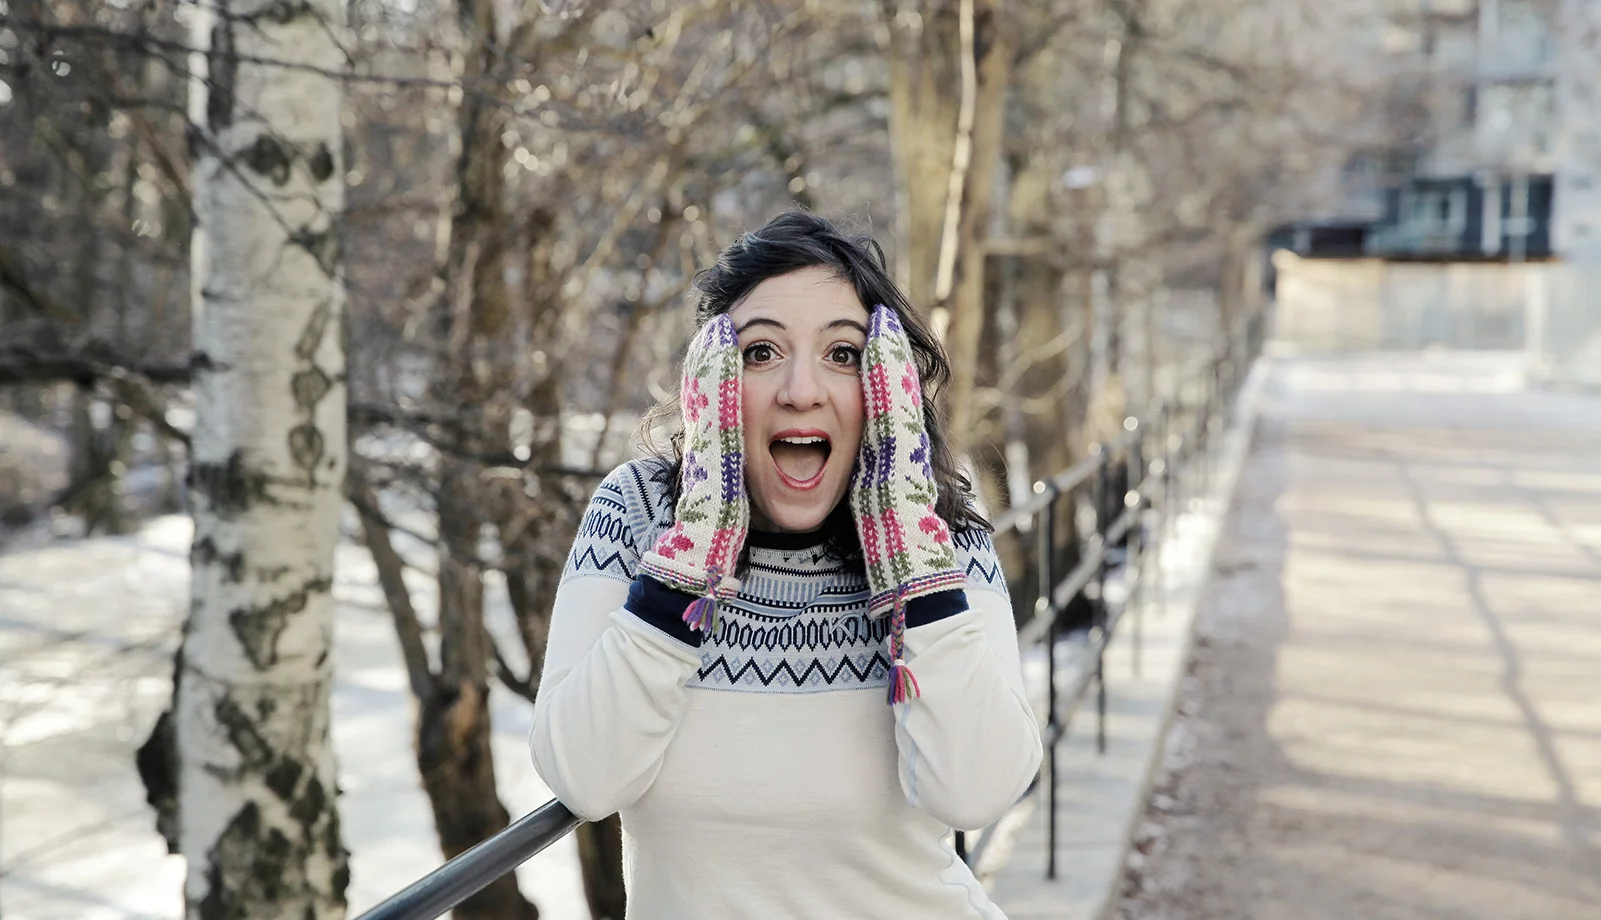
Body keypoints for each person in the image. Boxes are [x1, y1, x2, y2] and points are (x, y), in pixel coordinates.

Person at [530, 210, 1042, 919]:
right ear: (710, 380)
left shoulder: (939, 526)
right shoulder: (638, 510)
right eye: (761, 352)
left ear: (885, 385)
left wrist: (909, 556)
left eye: (843, 353)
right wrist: (690, 558)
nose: (802, 390)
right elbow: (583, 778)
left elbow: (977, 791)